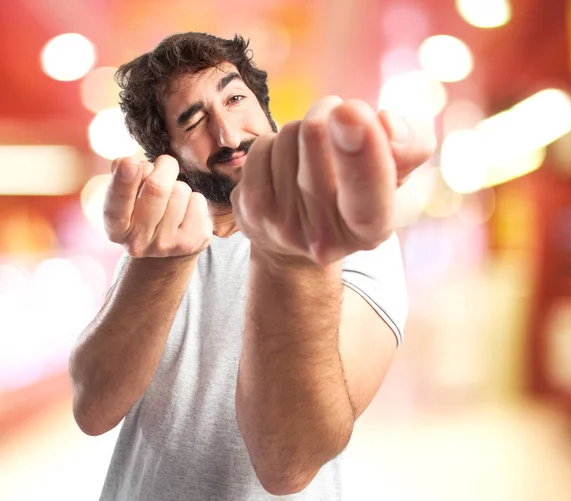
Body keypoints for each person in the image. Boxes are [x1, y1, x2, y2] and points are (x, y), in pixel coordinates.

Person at [68, 32, 435, 500]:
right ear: (167, 156)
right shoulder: (159, 241)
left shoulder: (347, 236)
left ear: (263, 105)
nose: (227, 133)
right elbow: (93, 410)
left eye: (235, 98)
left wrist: (294, 256)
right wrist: (156, 267)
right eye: (193, 121)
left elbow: (290, 461)